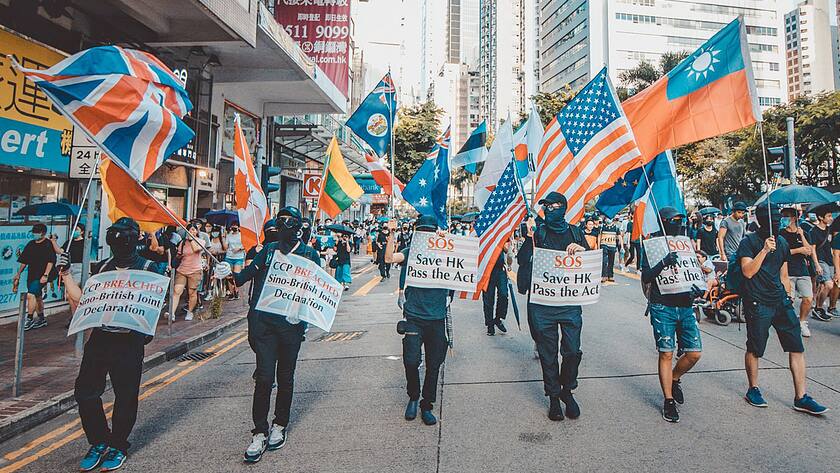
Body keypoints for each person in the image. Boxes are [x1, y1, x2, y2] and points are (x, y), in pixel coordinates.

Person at [60, 217, 168, 472]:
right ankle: (99, 441)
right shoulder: (102, 268)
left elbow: (154, 304)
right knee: (85, 392)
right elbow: (83, 301)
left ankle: (118, 445)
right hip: (101, 338)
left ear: (135, 239)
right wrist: (65, 275)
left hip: (129, 341)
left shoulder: (150, 268)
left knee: (125, 396)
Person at [216, 206, 320, 463]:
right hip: (265, 325)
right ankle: (259, 431)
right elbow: (244, 277)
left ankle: (279, 424)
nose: (284, 225)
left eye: (289, 221)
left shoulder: (309, 254)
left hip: (291, 327)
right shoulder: (269, 251)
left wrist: (302, 315)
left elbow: (316, 290)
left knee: (285, 377)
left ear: (299, 227)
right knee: (264, 378)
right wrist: (228, 273)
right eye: (280, 220)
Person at [737, 206, 827, 415]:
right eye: (775, 219)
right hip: (757, 301)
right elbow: (748, 272)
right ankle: (753, 389)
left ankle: (801, 397)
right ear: (761, 221)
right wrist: (764, 250)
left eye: (781, 219)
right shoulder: (749, 242)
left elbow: (783, 272)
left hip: (780, 301)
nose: (779, 223)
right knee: (755, 348)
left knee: (796, 346)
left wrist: (787, 293)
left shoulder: (783, 242)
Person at [517, 192, 588, 421]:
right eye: (546, 206)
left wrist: (582, 251)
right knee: (548, 354)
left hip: (569, 303)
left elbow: (590, 264)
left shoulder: (575, 232)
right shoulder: (539, 232)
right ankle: (554, 397)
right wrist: (529, 239)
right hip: (542, 304)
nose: (549, 209)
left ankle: (568, 390)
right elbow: (522, 260)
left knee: (572, 351)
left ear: (563, 207)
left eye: (554, 205)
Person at [385, 215, 450, 426]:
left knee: (434, 364)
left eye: (429, 232)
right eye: (422, 231)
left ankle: (427, 404)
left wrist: (448, 241)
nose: (425, 235)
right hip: (414, 316)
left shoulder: (445, 253)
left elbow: (464, 265)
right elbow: (389, 259)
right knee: (411, 361)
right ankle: (413, 396)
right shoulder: (410, 251)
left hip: (437, 317)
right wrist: (391, 233)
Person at [640, 207, 703, 423]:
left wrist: (698, 288)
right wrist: (664, 262)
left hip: (685, 305)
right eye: (673, 220)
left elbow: (693, 271)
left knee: (694, 353)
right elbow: (647, 276)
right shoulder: (652, 245)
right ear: (664, 222)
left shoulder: (686, 243)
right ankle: (668, 400)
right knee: (666, 353)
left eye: (680, 220)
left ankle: (674, 377)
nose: (678, 224)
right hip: (663, 306)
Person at [779, 208, 818, 337]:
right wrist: (798, 250)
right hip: (787, 270)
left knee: (808, 298)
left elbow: (809, 250)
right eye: (783, 216)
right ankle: (789, 321)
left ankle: (802, 321)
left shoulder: (804, 233)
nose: (784, 219)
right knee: (789, 299)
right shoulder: (781, 234)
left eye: (787, 216)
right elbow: (780, 252)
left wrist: (801, 235)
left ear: (795, 218)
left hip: (802, 270)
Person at [12, 223, 56, 331]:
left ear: (43, 233)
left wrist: (45, 275)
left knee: (30, 294)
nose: (34, 234)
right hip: (32, 274)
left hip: (43, 275)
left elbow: (51, 261)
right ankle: (41, 319)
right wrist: (18, 274)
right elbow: (24, 261)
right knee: (37, 297)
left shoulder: (48, 244)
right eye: (34, 232)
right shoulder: (31, 244)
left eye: (37, 232)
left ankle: (30, 319)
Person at [171, 223, 205, 321]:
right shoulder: (182, 243)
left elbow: (196, 250)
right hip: (182, 270)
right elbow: (179, 254)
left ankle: (190, 312)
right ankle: (172, 313)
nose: (191, 232)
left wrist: (191, 240)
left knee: (192, 293)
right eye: (189, 230)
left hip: (195, 271)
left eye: (193, 230)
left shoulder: (201, 241)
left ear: (197, 231)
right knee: (177, 291)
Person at [809, 210, 834, 321]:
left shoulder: (829, 230)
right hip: (820, 260)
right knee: (829, 285)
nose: (831, 218)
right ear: (820, 217)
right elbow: (812, 249)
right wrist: (816, 264)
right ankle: (818, 308)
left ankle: (817, 308)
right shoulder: (813, 231)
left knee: (823, 286)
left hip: (830, 260)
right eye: (828, 216)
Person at [483, 242, 511, 336]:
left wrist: (502, 244)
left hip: (500, 269)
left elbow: (507, 250)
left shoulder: (502, 234)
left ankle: (498, 318)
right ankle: (490, 324)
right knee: (488, 298)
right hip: (487, 269)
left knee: (503, 294)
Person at [224, 224, 245, 300]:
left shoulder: (242, 235)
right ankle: (231, 292)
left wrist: (239, 249)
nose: (234, 227)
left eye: (235, 226)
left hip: (239, 257)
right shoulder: (228, 235)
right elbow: (225, 247)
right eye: (232, 225)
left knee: (236, 275)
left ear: (238, 227)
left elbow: (245, 245)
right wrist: (223, 238)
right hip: (229, 257)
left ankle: (236, 290)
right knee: (229, 275)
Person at [599, 217, 620, 282]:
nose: (608, 219)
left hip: (612, 246)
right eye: (607, 218)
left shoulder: (616, 227)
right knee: (604, 261)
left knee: (611, 261)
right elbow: (599, 236)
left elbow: (619, 236)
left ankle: (610, 275)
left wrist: (621, 246)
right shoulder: (602, 227)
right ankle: (604, 276)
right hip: (604, 245)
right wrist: (599, 245)